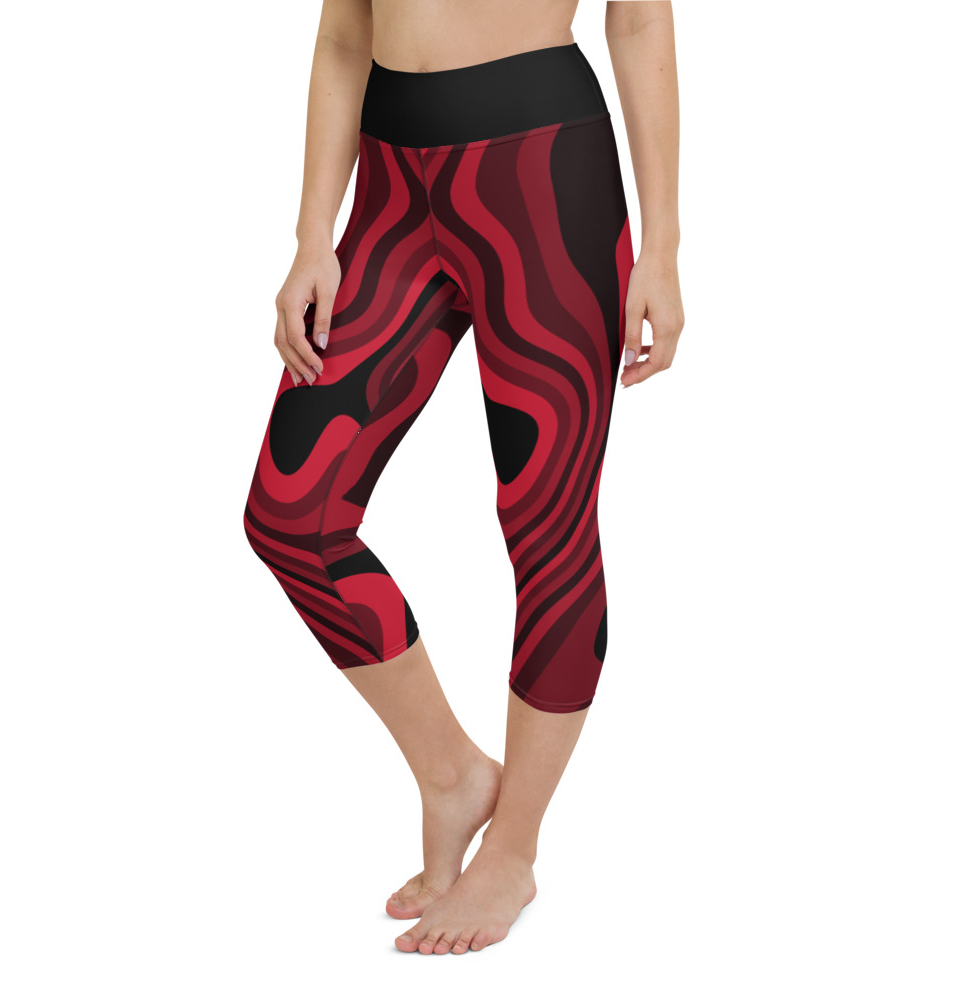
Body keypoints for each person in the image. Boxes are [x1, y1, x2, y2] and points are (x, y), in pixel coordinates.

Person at [243, 0, 684, 955]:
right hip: (392, 191)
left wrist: (663, 248)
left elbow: (641, 23)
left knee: (547, 526)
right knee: (291, 513)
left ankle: (513, 848)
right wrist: (313, 235)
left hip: (543, 177)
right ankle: (453, 776)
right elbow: (344, 35)